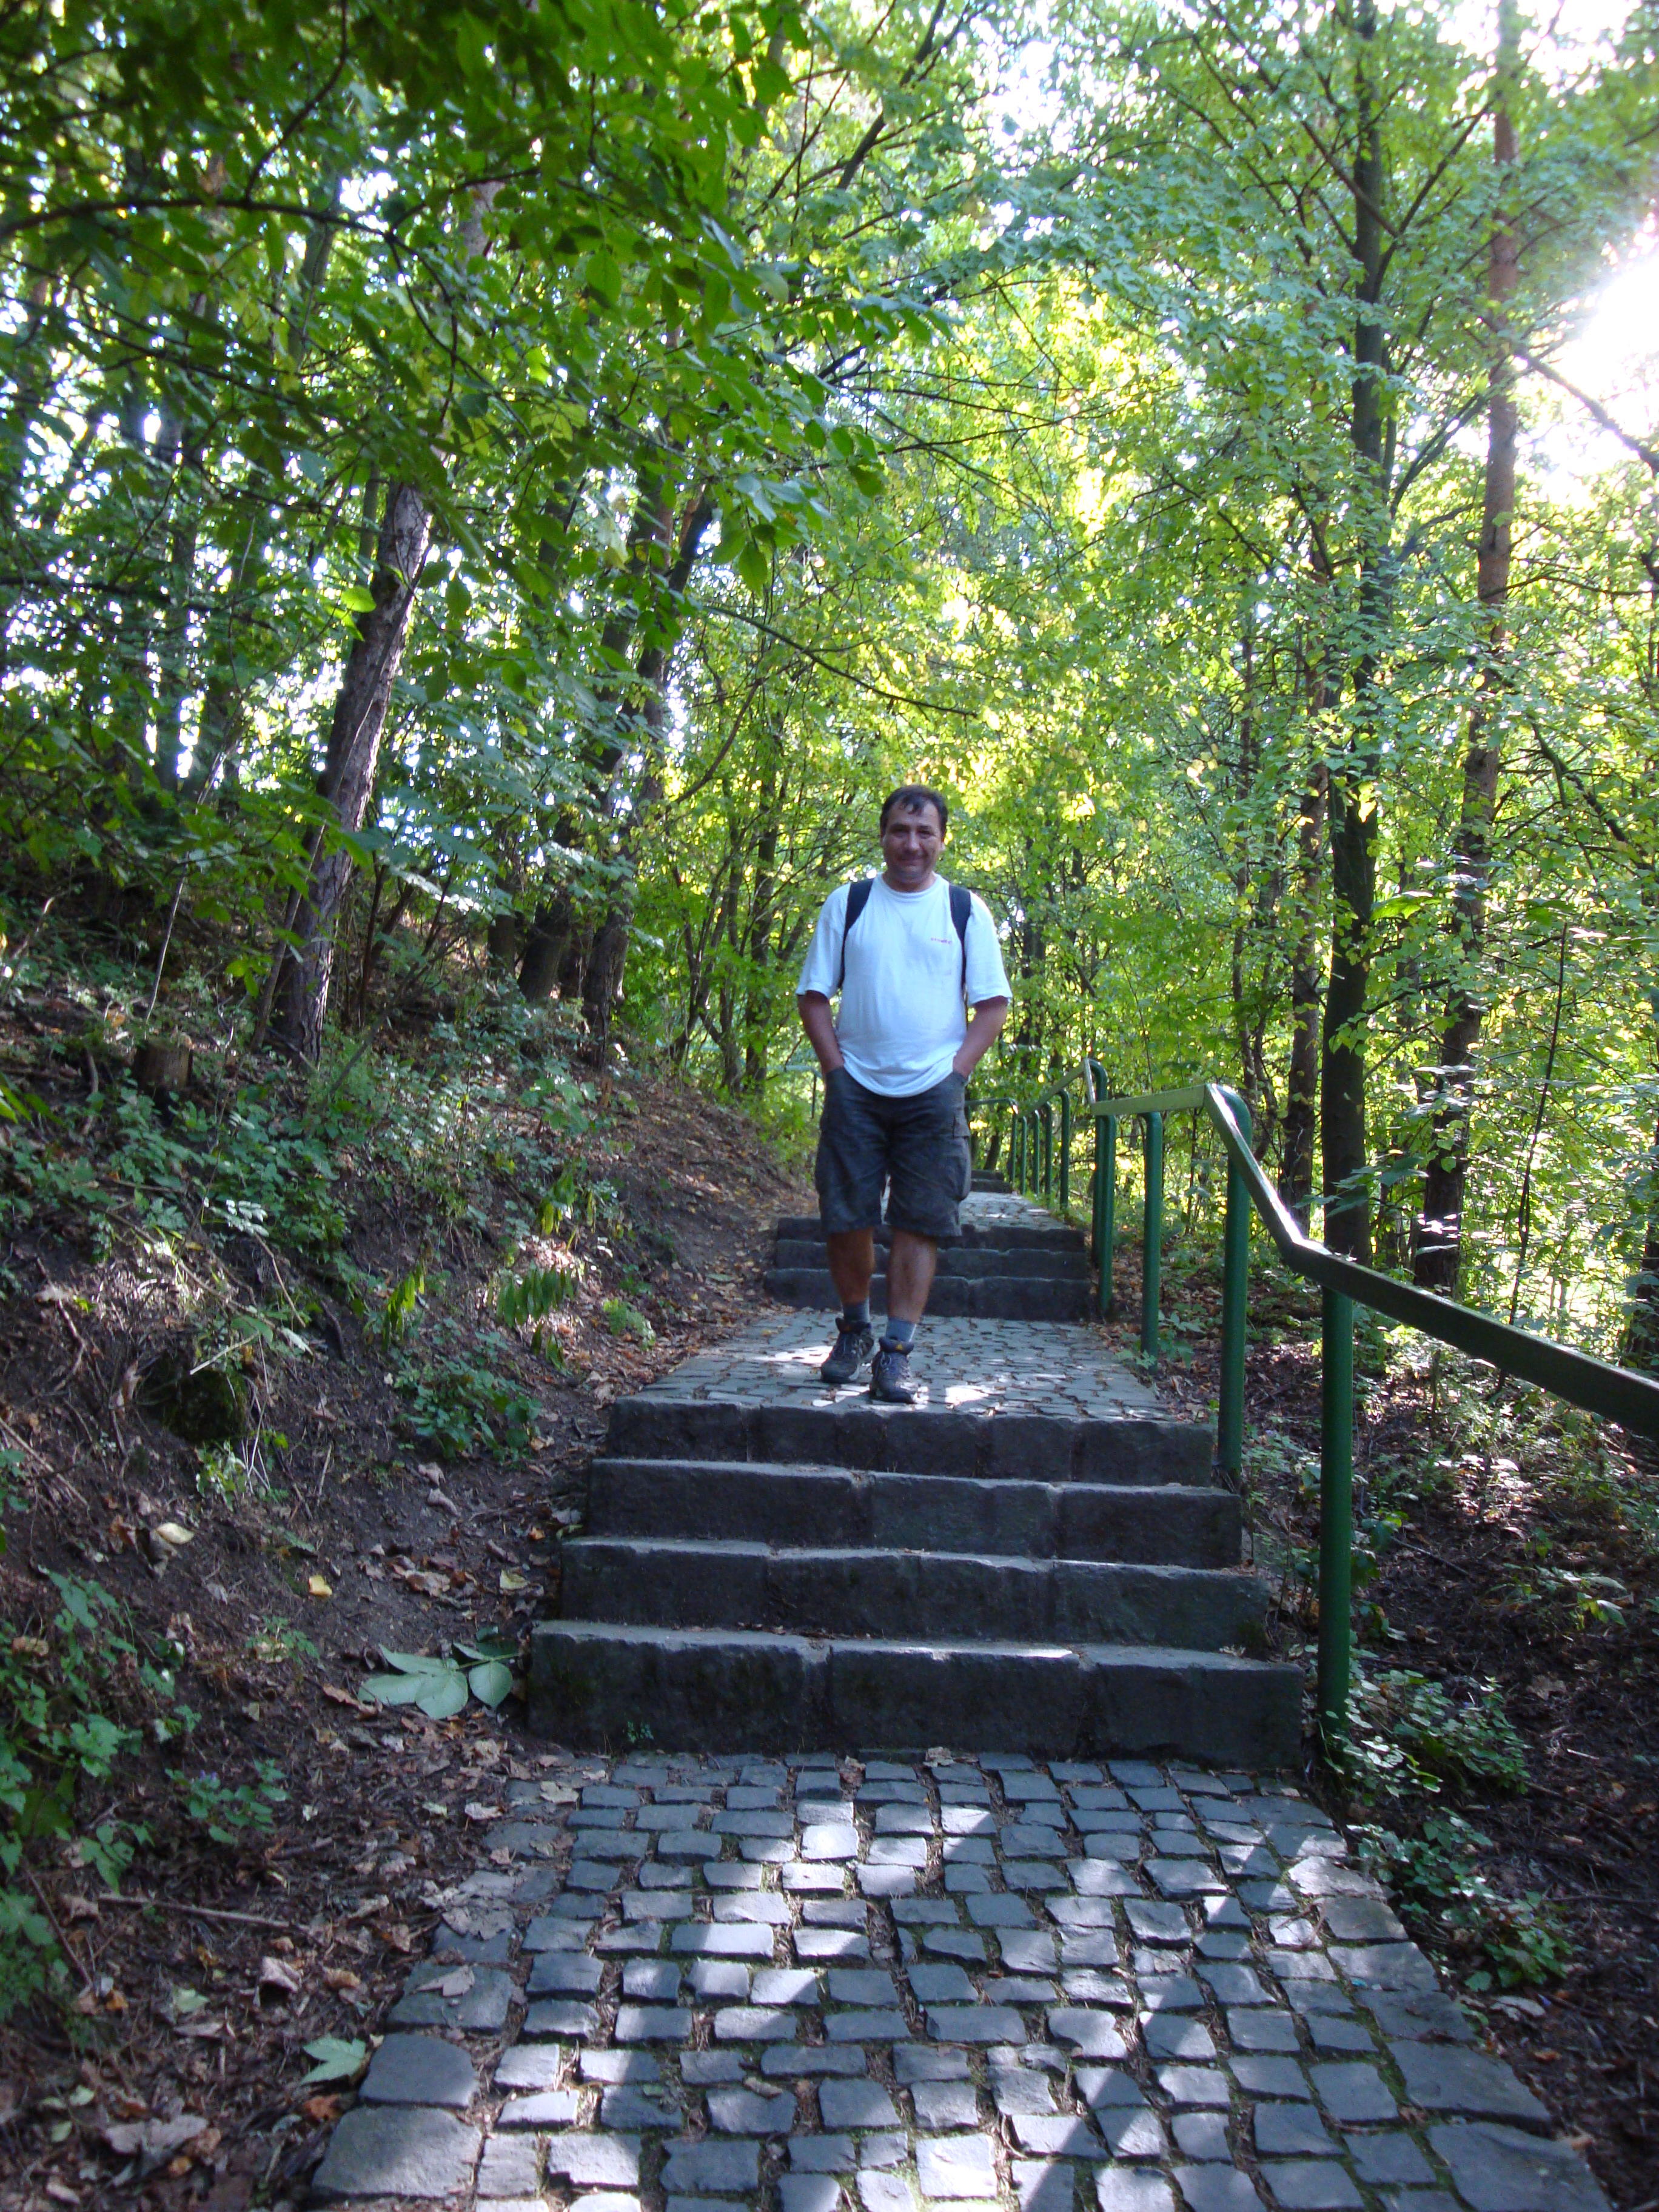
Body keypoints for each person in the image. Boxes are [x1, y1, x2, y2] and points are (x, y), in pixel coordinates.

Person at [796, 785, 1012, 1403]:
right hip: (856, 1087)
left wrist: (955, 1075)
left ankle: (896, 1353)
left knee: (921, 1218)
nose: (911, 844)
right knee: (846, 1215)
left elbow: (993, 1005)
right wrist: (836, 1071)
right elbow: (814, 995)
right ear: (883, 835)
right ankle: (854, 1330)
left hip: (933, 1093)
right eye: (899, 830)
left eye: (924, 833)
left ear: (942, 840)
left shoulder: (965, 910)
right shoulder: (850, 903)